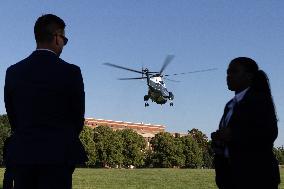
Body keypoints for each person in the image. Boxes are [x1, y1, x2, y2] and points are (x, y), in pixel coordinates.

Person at [4, 14, 87, 189]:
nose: (64, 44)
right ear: (57, 38)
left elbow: (13, 117)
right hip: (59, 158)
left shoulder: (13, 72)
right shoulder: (71, 72)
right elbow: (77, 118)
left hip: (24, 157)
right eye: (64, 39)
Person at [211, 57, 280, 189]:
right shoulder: (230, 105)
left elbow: (269, 133)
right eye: (227, 72)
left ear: (249, 76)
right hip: (231, 178)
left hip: (255, 177)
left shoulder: (259, 100)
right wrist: (218, 141)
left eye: (234, 72)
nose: (228, 76)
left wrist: (232, 135)